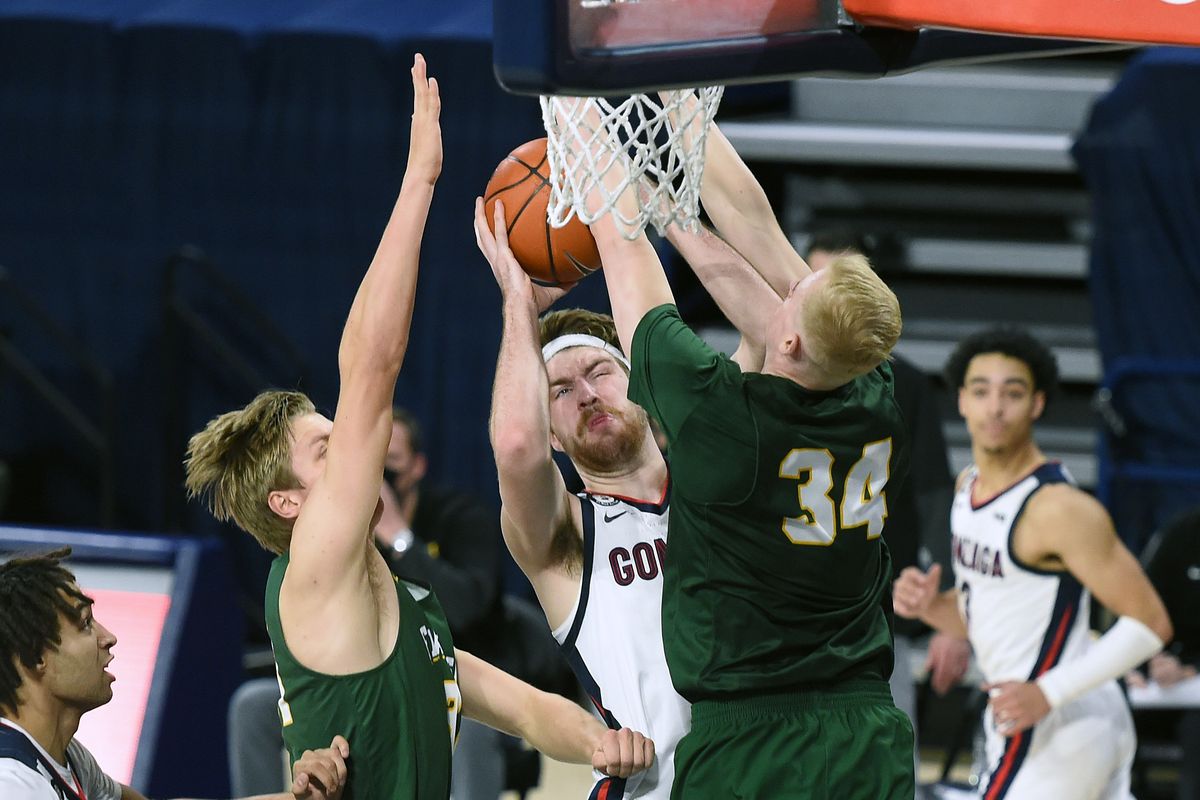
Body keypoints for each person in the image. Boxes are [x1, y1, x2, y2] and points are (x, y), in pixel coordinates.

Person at [185, 56, 652, 800]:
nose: (356, 449)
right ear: (288, 504)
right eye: (325, 448)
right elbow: (372, 365)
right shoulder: (313, 569)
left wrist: (604, 740)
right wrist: (419, 183)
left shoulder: (406, 609)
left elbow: (527, 710)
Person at [511, 95, 916, 798]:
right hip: (866, 728)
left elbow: (621, 244)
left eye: (794, 294)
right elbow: (757, 233)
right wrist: (679, 111)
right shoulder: (870, 386)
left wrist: (573, 101)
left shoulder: (726, 424)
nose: (786, 283)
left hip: (751, 739)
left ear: (787, 340)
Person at [894, 325, 1173, 799]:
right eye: (981, 391)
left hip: (1061, 717)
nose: (995, 407)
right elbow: (987, 617)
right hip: (1034, 709)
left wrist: (1050, 692)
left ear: (1037, 404)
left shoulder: (1058, 508)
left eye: (1013, 392)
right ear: (962, 400)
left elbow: (1151, 624)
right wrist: (928, 607)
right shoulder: (968, 488)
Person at [472, 209, 691, 799]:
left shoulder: (713, 486)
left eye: (599, 371)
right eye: (561, 392)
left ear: (642, 382)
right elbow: (514, 444)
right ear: (550, 431)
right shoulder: (565, 533)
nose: (589, 394)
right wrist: (519, 303)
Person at [0, 548, 350, 800]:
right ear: (35, 658)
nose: (108, 637)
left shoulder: (68, 759)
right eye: (85, 624)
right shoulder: (14, 785)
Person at [806, 231, 972, 723]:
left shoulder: (906, 385)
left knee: (890, 769)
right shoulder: (766, 376)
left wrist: (950, 617)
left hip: (875, 620)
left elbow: (935, 493)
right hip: (782, 618)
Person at [1127, 506, 1200, 800]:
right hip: (1163, 673)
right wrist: (1141, 662)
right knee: (1104, 711)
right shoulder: (1182, 534)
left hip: (1192, 682)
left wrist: (1192, 668)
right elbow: (1139, 610)